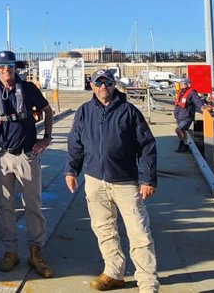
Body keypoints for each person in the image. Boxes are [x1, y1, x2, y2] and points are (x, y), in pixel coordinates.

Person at [66, 69, 159, 292]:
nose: (103, 86)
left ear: (114, 84)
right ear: (91, 85)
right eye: (98, 82)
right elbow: (75, 143)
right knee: (104, 229)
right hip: (94, 180)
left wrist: (148, 179)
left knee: (139, 232)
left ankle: (148, 283)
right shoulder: (85, 111)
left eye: (107, 82)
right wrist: (71, 170)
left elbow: (147, 147)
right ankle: (114, 272)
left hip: (125, 181)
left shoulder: (129, 112)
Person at [0, 50, 54, 277]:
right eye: (1, 66)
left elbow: (47, 111)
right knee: (5, 206)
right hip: (1, 157)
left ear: (16, 67)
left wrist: (46, 138)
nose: (6, 70)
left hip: (26, 155)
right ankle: (10, 251)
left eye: (10, 65)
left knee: (33, 205)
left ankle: (36, 251)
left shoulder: (29, 89)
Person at [173, 79, 207, 153]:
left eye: (183, 83)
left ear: (188, 84)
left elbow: (197, 100)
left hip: (187, 115)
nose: (182, 85)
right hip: (179, 115)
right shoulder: (181, 92)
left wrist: (201, 107)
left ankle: (181, 145)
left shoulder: (192, 92)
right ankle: (185, 146)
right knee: (183, 130)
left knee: (178, 129)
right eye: (181, 83)